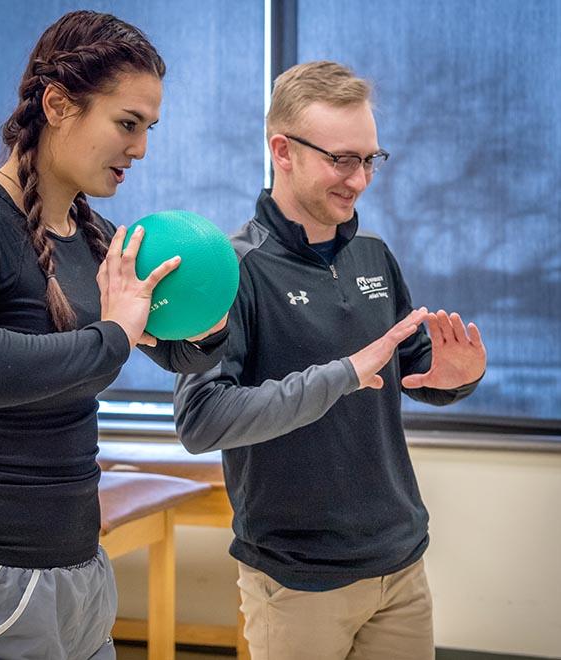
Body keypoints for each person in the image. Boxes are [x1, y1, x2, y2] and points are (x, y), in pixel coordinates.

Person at [0, 10, 227, 660]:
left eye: (149, 128)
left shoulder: (98, 237)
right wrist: (112, 334)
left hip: (79, 567)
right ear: (57, 104)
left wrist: (210, 330)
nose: (141, 149)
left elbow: (168, 346)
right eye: (127, 124)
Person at [174, 61, 487, 660]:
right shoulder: (233, 270)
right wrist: (341, 376)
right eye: (342, 160)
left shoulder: (375, 255)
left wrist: (457, 380)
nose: (361, 179)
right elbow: (202, 420)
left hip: (400, 563)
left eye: (371, 159)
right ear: (282, 151)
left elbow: (412, 367)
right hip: (296, 580)